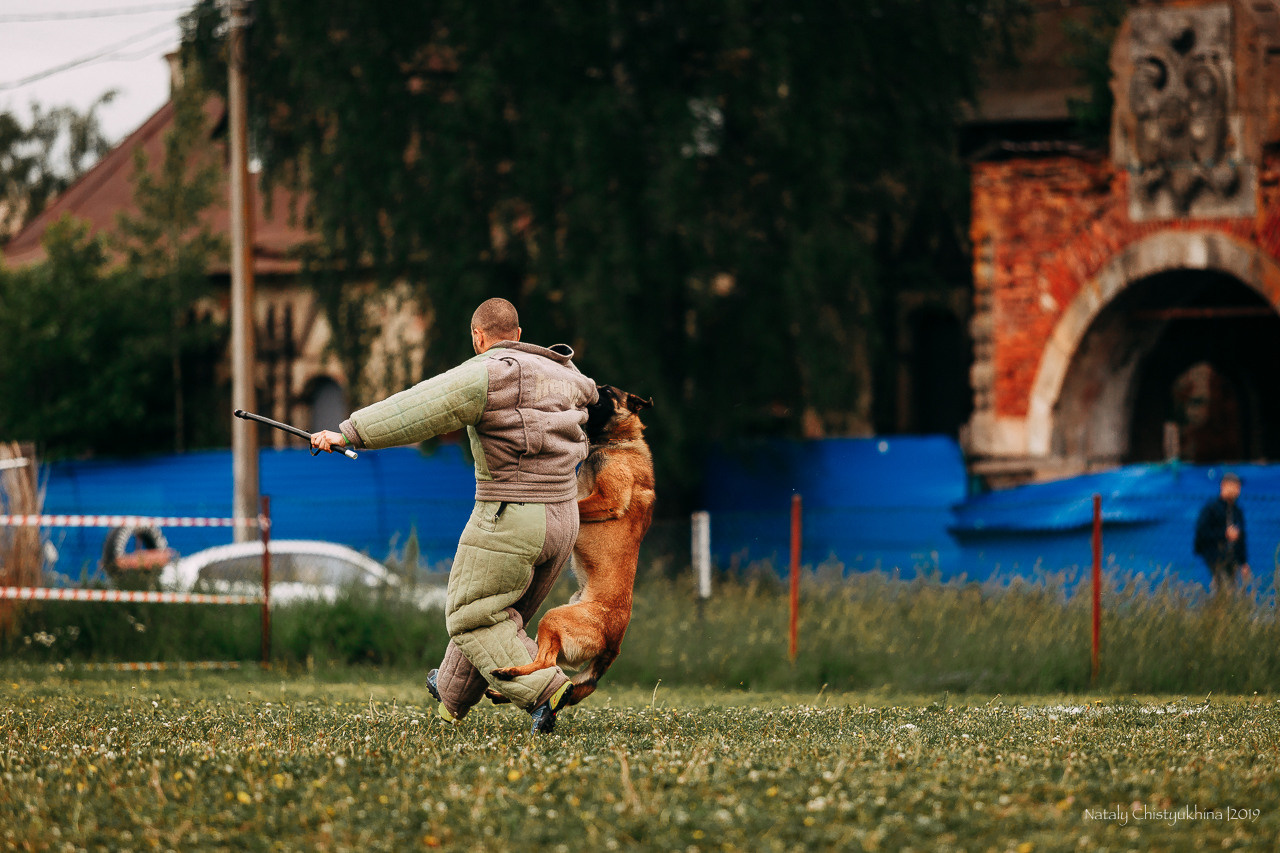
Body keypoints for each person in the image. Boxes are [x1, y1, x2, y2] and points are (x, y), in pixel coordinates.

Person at [312, 298, 597, 733]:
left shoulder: (488, 372)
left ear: (478, 338)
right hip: (562, 520)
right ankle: (450, 697)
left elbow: (420, 407)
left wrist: (348, 433)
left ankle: (546, 688)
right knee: (497, 617)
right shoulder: (568, 375)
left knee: (471, 614)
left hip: (511, 517)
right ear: (519, 335)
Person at [1193, 472, 1251, 595]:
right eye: (1235, 486)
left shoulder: (1237, 511)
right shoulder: (1212, 509)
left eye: (1238, 487)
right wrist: (1224, 534)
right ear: (1224, 486)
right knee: (1222, 589)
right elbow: (1202, 533)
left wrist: (1243, 562)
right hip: (1215, 556)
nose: (1237, 490)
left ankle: (1219, 611)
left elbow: (1241, 538)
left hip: (1231, 558)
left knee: (1230, 591)